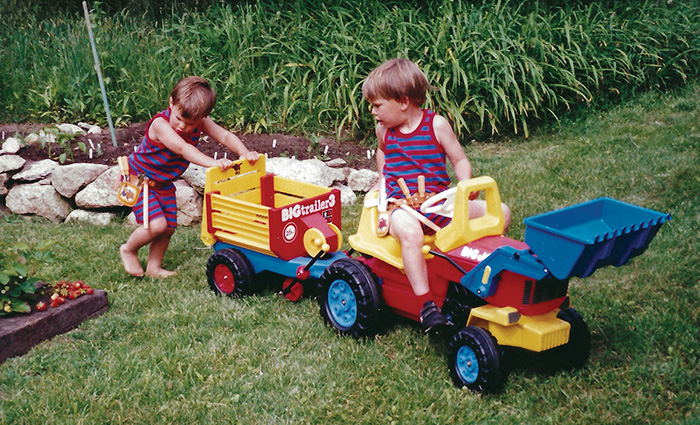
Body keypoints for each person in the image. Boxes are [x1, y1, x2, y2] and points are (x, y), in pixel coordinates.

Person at [362, 58, 511, 332]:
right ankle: (426, 304)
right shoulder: (384, 130)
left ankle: (483, 276)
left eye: (378, 105)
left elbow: (459, 160)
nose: (373, 111)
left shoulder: (436, 125)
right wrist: (383, 179)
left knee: (500, 211)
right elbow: (383, 153)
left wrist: (466, 183)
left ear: (403, 101)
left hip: (438, 204)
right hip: (401, 207)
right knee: (410, 233)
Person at [119, 76, 260, 278]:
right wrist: (212, 162)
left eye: (190, 123)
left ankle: (154, 268)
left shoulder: (200, 122)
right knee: (156, 225)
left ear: (202, 117)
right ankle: (128, 249)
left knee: (168, 229)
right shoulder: (160, 124)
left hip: (163, 184)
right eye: (179, 118)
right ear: (171, 103)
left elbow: (225, 136)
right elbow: (181, 148)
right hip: (139, 181)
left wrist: (244, 152)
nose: (182, 127)